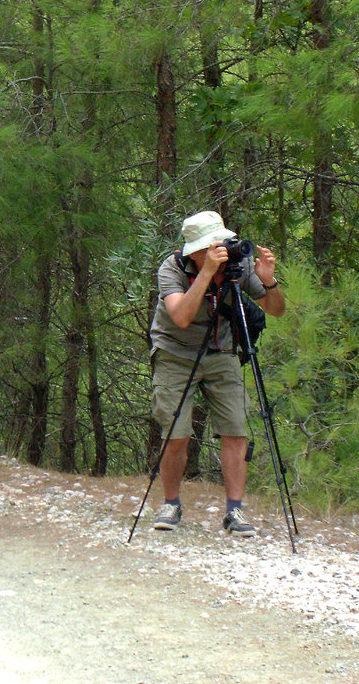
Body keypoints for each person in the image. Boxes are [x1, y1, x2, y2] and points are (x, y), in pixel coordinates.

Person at [149, 210, 285, 534]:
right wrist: (207, 273)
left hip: (221, 350)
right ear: (195, 250)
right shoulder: (172, 269)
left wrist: (268, 280)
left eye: (223, 242)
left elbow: (277, 309)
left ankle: (234, 511)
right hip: (175, 353)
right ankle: (171, 504)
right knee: (176, 433)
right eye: (213, 245)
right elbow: (181, 316)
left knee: (236, 428)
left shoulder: (237, 268)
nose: (222, 249)